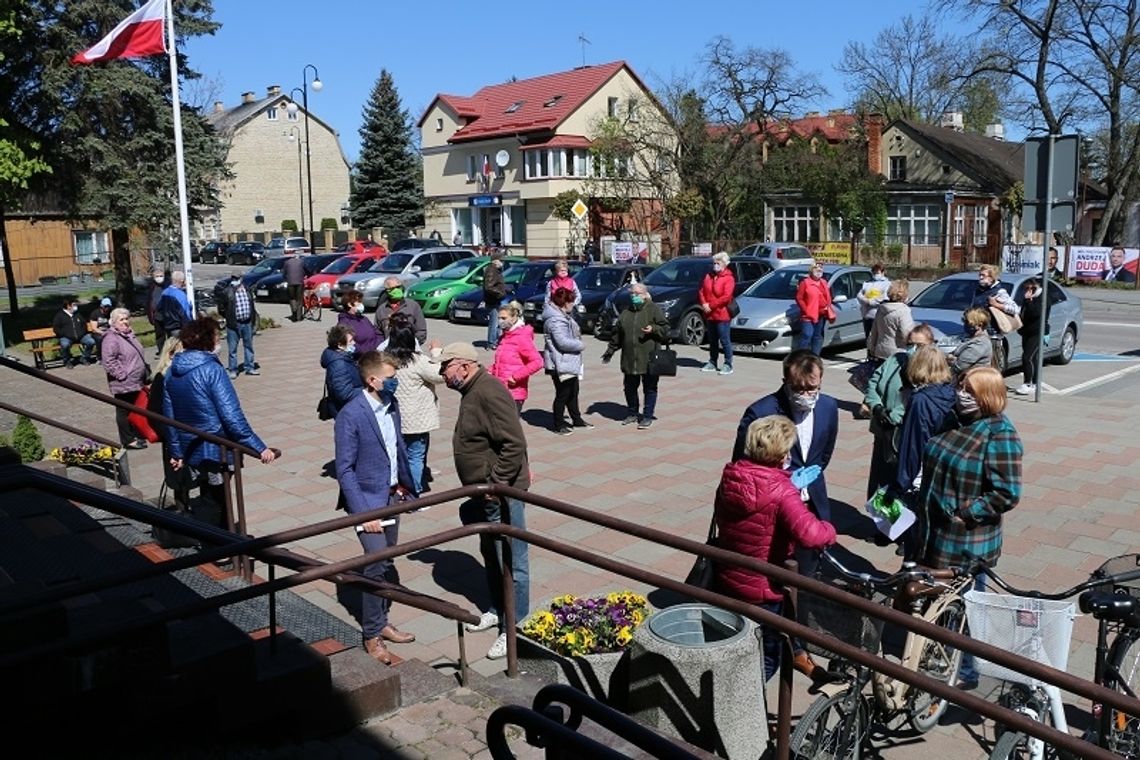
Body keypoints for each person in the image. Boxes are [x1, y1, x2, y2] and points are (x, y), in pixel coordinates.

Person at [918, 366, 1023, 689]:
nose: (960, 394)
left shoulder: (1000, 434)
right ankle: (941, 655)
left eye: (969, 390)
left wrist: (966, 513)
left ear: (987, 397)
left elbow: (1008, 492)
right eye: (960, 386)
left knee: (966, 607)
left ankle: (964, 674)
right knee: (941, 602)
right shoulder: (956, 418)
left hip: (967, 541)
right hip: (935, 533)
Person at [714, 415, 837, 681]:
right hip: (764, 588)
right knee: (769, 657)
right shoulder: (782, 491)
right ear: (782, 454)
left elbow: (756, 500)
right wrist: (830, 529)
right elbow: (811, 535)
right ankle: (747, 710)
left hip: (729, 577)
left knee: (738, 643)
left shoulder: (732, 475)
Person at [439, 341, 531, 661]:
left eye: (445, 367)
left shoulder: (488, 390)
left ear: (464, 366)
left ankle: (514, 625)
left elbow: (513, 443)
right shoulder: (472, 391)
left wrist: (497, 482)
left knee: (511, 560)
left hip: (499, 493)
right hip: (483, 492)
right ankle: (497, 608)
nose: (442, 373)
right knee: (491, 555)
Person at [334, 350, 418, 665]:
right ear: (372, 380)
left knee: (386, 562)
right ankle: (372, 634)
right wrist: (363, 513)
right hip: (367, 502)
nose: (395, 383)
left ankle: (382, 620)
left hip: (391, 496)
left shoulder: (390, 405)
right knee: (374, 565)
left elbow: (395, 447)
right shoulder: (351, 414)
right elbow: (344, 469)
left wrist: (404, 485)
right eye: (391, 378)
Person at [162, 316, 277, 530]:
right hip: (216, 446)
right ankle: (221, 545)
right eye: (217, 336)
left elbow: (170, 419)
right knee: (218, 498)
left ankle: (215, 539)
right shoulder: (212, 370)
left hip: (191, 447)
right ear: (207, 340)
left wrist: (177, 452)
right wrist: (259, 447)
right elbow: (231, 416)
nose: (219, 341)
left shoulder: (172, 371)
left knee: (208, 493)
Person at [864, 323, 934, 499]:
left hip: (906, 434)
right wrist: (876, 406)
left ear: (931, 345)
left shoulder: (932, 368)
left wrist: (895, 415)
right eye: (910, 344)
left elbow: (921, 398)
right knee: (879, 476)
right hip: (882, 430)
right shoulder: (895, 360)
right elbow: (874, 382)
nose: (914, 349)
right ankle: (878, 517)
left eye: (920, 345)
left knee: (901, 479)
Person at [892, 344, 958, 511]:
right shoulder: (952, 393)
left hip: (924, 473)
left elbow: (913, 446)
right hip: (948, 470)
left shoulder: (920, 400)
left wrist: (900, 485)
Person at [387, 313, 444, 495]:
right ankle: (414, 492)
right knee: (416, 455)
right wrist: (436, 352)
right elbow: (440, 374)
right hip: (416, 419)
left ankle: (397, 489)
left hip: (394, 416)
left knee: (397, 454)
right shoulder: (418, 360)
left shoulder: (385, 359)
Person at [601, 282, 669, 429]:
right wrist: (610, 351)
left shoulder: (653, 309)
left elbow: (666, 329)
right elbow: (617, 335)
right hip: (630, 358)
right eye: (631, 293)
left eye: (637, 293)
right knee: (630, 388)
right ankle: (632, 412)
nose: (634, 296)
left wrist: (654, 329)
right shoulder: (626, 313)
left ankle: (647, 416)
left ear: (644, 295)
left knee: (649, 388)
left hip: (649, 357)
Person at [542, 287, 592, 434]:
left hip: (568, 361)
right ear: (564, 303)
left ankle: (576, 419)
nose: (573, 304)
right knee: (563, 394)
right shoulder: (556, 320)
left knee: (573, 391)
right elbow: (562, 342)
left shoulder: (564, 315)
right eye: (571, 301)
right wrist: (580, 344)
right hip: (560, 362)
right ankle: (558, 424)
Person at [100, 307, 150, 450]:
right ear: (114, 322)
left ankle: (137, 433)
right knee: (123, 410)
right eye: (121, 319)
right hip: (123, 382)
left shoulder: (128, 334)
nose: (125, 322)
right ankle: (128, 440)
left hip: (136, 380)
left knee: (136, 407)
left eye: (126, 318)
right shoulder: (111, 338)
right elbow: (108, 361)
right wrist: (122, 375)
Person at [488, 300, 544, 415]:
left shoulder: (521, 338)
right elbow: (501, 362)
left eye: (504, 318)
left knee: (508, 428)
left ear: (514, 318)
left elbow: (537, 362)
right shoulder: (505, 336)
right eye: (499, 318)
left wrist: (516, 377)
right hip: (500, 390)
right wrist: (489, 372)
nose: (500, 321)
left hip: (514, 393)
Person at [214, 272, 259, 379]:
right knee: (232, 349)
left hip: (247, 322)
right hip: (233, 324)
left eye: (237, 278)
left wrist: (253, 320)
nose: (236, 280)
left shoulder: (247, 290)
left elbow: (252, 305)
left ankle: (250, 367)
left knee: (248, 346)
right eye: (234, 278)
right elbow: (221, 307)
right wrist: (228, 317)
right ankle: (233, 370)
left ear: (241, 278)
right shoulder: (227, 291)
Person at [699, 251, 736, 375]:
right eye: (714, 263)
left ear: (724, 264)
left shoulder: (729, 278)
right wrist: (704, 304)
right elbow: (701, 291)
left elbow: (726, 297)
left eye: (718, 263)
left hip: (722, 314)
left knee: (724, 339)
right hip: (710, 314)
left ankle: (728, 363)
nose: (715, 265)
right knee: (712, 340)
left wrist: (711, 305)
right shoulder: (708, 276)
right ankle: (712, 361)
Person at [1015, 277, 1051, 396]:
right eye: (1026, 288)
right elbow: (1024, 313)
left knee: (1027, 357)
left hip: (1038, 332)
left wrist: (1029, 300)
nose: (1028, 290)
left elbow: (1036, 313)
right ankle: (1035, 383)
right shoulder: (1028, 297)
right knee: (1034, 358)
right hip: (1027, 331)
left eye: (1031, 287)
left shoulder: (1043, 298)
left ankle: (1027, 383)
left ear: (1037, 287)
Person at [321, 324, 363, 417]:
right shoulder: (339, 365)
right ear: (339, 345)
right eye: (351, 341)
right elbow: (345, 394)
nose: (354, 343)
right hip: (346, 410)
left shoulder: (344, 357)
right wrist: (368, 390)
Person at [867, 279, 914, 363]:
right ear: (904, 295)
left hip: (880, 352)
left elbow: (874, 332)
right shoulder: (903, 311)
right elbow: (907, 334)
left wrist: (871, 348)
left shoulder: (881, 309)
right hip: (897, 354)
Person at [374, 276, 427, 344]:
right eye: (393, 288)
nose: (397, 290)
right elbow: (378, 333)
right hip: (388, 350)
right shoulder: (381, 310)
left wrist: (412, 345)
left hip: (409, 348)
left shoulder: (413, 306)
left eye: (398, 287)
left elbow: (421, 330)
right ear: (387, 291)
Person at [795, 264, 832, 356]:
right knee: (807, 335)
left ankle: (815, 357)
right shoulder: (805, 283)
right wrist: (805, 310)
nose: (819, 271)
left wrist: (828, 307)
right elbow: (799, 298)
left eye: (820, 270)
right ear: (811, 271)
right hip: (808, 315)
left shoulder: (824, 282)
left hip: (821, 314)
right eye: (816, 269)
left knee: (818, 336)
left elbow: (828, 296)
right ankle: (800, 357)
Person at [52, 297, 96, 367]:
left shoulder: (77, 314)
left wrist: (82, 332)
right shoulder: (59, 316)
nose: (76, 306)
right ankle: (67, 361)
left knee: (91, 342)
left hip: (81, 336)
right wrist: (65, 334)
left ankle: (85, 358)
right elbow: (56, 329)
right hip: (66, 337)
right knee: (65, 345)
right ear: (68, 306)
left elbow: (84, 324)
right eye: (74, 305)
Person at [950, 307, 994, 376]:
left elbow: (959, 366)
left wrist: (950, 359)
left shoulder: (980, 343)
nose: (964, 324)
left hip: (973, 381)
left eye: (967, 322)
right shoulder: (972, 338)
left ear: (979, 325)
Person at [856, 263, 890, 339]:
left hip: (878, 316)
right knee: (869, 339)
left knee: (877, 339)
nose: (875, 274)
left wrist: (870, 302)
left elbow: (883, 298)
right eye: (874, 272)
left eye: (877, 272)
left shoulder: (887, 284)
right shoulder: (867, 283)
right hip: (867, 316)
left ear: (883, 272)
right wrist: (865, 300)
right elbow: (859, 295)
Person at [482, 251, 507, 350]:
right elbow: (489, 287)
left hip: (495, 299)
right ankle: (491, 342)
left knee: (497, 322)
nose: (503, 263)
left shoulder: (496, 270)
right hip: (492, 300)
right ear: (495, 261)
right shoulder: (491, 271)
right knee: (494, 323)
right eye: (502, 261)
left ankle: (495, 341)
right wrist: (500, 293)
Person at [157, 270, 192, 339]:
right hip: (179, 327)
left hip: (168, 326)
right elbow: (185, 313)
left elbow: (159, 308)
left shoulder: (165, 292)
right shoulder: (180, 295)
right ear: (181, 281)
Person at [146, 266, 170, 357]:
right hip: (156, 316)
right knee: (160, 335)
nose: (159, 278)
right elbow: (149, 302)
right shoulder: (152, 287)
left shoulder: (168, 285)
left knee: (170, 334)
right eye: (157, 276)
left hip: (167, 315)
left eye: (161, 276)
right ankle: (161, 351)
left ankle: (171, 351)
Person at [284, 252, 306, 322]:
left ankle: (294, 313)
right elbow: (306, 270)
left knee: (292, 298)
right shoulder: (301, 262)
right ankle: (299, 317)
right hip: (299, 282)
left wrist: (287, 279)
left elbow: (284, 273)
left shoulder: (286, 263)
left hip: (290, 283)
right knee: (299, 300)